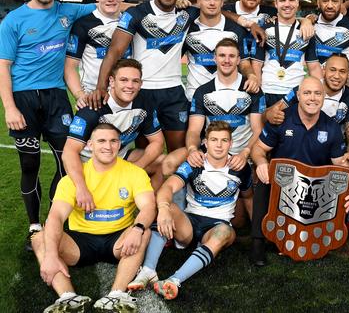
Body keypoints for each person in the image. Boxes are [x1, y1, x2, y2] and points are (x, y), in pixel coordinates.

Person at [0, 0, 97, 250]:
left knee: (66, 162)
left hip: (56, 98)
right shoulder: (13, 21)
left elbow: (109, 2)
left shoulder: (68, 12)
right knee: (29, 164)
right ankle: (34, 225)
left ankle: (56, 219)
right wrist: (10, 108)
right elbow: (3, 67)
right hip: (24, 100)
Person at [31, 123, 156, 312]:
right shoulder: (75, 178)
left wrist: (137, 229)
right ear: (90, 145)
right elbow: (55, 216)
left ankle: (116, 295)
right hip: (80, 242)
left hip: (118, 241)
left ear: (119, 144)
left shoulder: (134, 173)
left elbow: (148, 207)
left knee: (144, 231)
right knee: (39, 237)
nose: (108, 146)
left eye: (113, 141)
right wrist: (50, 254)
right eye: (102, 141)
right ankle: (69, 299)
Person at [128, 121, 252, 300]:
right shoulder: (195, 162)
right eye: (214, 140)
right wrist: (163, 209)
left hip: (218, 226)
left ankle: (173, 280)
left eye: (224, 140)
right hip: (189, 224)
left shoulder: (240, 168)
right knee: (165, 206)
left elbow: (248, 197)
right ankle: (148, 270)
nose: (219, 145)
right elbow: (168, 187)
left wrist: (257, 236)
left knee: (225, 232)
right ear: (205, 142)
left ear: (231, 144)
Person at [90, 0, 200, 152]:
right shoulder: (137, 14)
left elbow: (219, 12)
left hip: (174, 92)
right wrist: (101, 87)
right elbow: (114, 51)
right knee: (146, 155)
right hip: (142, 92)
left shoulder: (187, 14)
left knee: (179, 152)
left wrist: (244, 22)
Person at [250, 77, 349, 266]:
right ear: (298, 95)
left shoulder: (331, 127)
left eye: (317, 93)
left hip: (314, 189)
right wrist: (260, 163)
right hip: (282, 184)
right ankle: (258, 243)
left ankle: (312, 235)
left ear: (323, 97)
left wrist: (347, 192)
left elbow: (339, 166)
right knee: (264, 180)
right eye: (307, 93)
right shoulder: (281, 118)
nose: (312, 98)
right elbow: (258, 150)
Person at [264, 54, 349, 244]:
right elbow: (271, 113)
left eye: (342, 71)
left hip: (330, 154)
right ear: (324, 71)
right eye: (332, 70)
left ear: (347, 74)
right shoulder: (306, 88)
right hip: (295, 150)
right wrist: (270, 114)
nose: (337, 76)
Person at [162, 38, 264, 221]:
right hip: (213, 149)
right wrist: (193, 150)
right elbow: (194, 130)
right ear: (214, 58)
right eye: (222, 55)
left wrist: (245, 153)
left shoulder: (251, 89)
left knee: (239, 220)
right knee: (170, 162)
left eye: (232, 56)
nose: (227, 60)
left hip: (242, 152)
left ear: (239, 59)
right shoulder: (203, 92)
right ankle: (180, 216)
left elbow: (258, 130)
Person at [62, 59, 164, 213]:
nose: (130, 86)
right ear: (112, 81)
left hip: (119, 157)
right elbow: (69, 152)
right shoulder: (92, 106)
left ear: (141, 84)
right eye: (123, 80)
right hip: (90, 162)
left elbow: (157, 142)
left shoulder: (145, 101)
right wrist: (81, 188)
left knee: (160, 162)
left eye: (135, 81)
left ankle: (143, 211)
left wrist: (136, 169)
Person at [251, 0, 320, 107]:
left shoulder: (307, 31)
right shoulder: (264, 30)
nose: (287, 4)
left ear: (298, 2)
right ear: (276, 4)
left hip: (296, 93)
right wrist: (258, 93)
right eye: (282, 0)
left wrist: (320, 91)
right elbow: (257, 65)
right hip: (268, 92)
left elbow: (313, 67)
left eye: (291, 0)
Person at [184, 0, 251, 101]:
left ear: (222, 2)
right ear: (198, 2)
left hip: (227, 100)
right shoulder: (187, 29)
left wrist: (251, 75)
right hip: (193, 98)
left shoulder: (236, 30)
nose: (211, 3)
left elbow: (244, 62)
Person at [64, 0, 128, 97]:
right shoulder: (83, 24)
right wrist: (80, 95)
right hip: (94, 96)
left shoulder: (132, 21)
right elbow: (70, 67)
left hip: (126, 96)